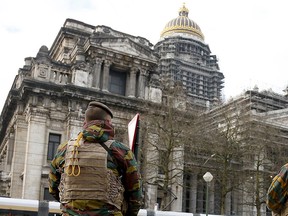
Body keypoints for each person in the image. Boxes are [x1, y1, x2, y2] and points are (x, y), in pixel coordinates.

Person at [49, 101, 142, 216]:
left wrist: (72, 207)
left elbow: (53, 188)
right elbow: (135, 194)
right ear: (108, 123)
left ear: (85, 122)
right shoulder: (120, 150)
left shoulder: (64, 149)